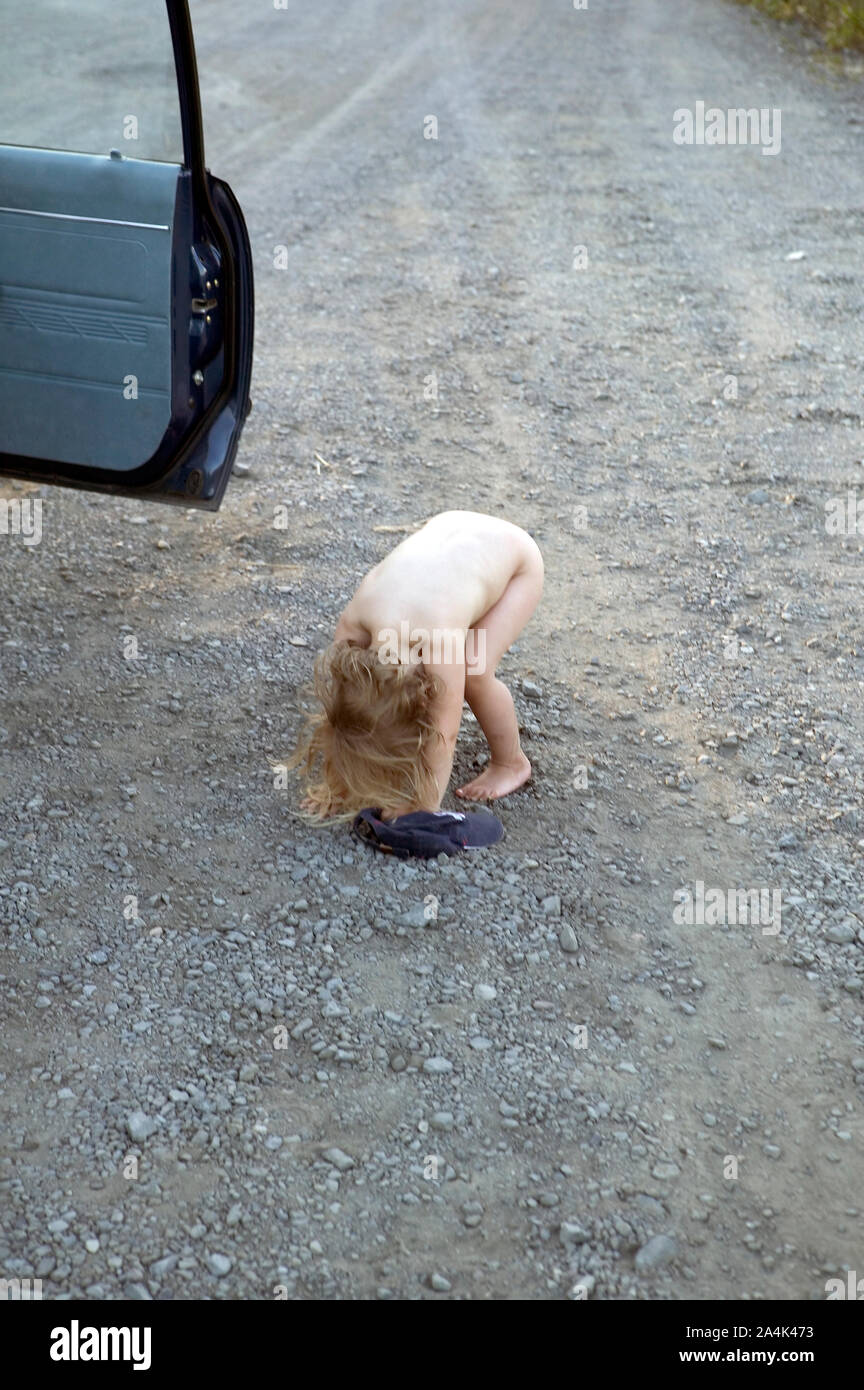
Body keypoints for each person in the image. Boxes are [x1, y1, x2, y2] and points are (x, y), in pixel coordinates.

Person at [289, 510, 544, 820]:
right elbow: (342, 719)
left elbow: (444, 733)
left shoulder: (440, 644)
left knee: (475, 672)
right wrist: (338, 786)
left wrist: (421, 808)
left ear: (421, 698)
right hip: (451, 533)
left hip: (515, 559)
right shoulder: (351, 632)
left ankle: (511, 763)